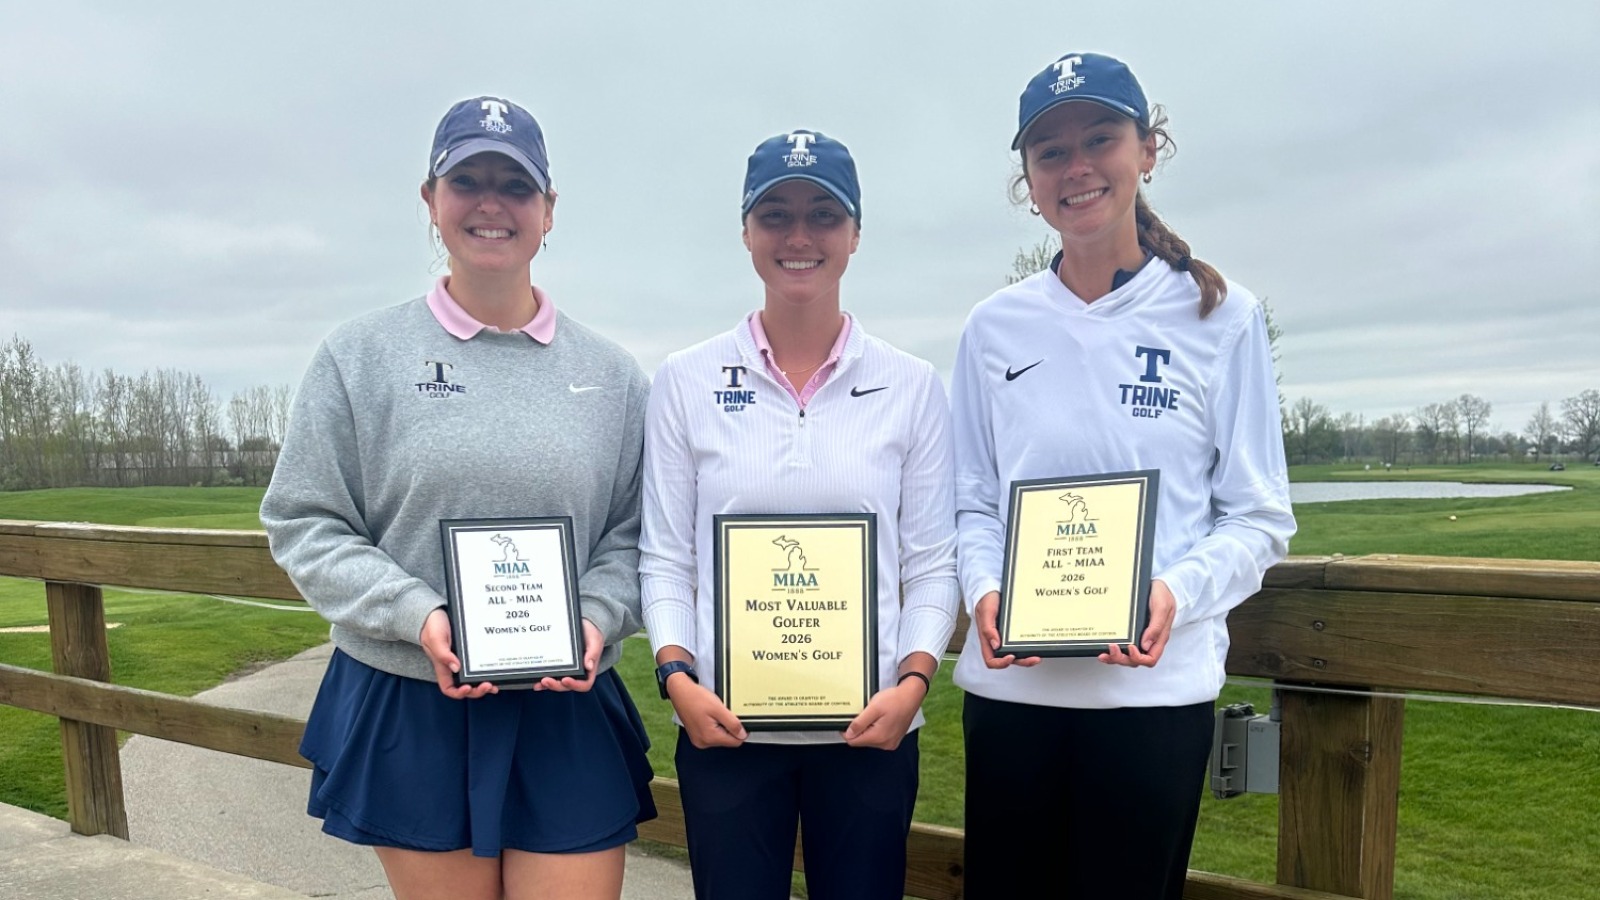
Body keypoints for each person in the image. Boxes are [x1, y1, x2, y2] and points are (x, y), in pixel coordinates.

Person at [260, 95, 655, 900]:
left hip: (564, 702)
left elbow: (638, 533)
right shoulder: (359, 357)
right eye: (467, 179)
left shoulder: (612, 376)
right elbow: (304, 521)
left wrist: (596, 616)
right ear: (430, 201)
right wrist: (420, 616)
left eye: (515, 186)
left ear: (548, 210)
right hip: (414, 700)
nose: (490, 203)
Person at [951, 53, 1296, 898]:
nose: (1076, 168)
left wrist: (1174, 593)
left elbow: (1259, 518)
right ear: (1027, 180)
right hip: (1013, 701)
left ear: (1147, 149)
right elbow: (970, 500)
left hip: (1152, 701)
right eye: (1049, 153)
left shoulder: (1221, 314)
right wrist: (985, 589)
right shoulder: (993, 327)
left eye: (1100, 138)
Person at [639, 130, 959, 900]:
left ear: (854, 234)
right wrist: (677, 675)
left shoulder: (912, 386)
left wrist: (914, 682)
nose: (799, 236)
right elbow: (666, 558)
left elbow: (931, 563)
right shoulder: (684, 381)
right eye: (775, 214)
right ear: (746, 231)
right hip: (725, 730)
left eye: (823, 214)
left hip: (872, 730)